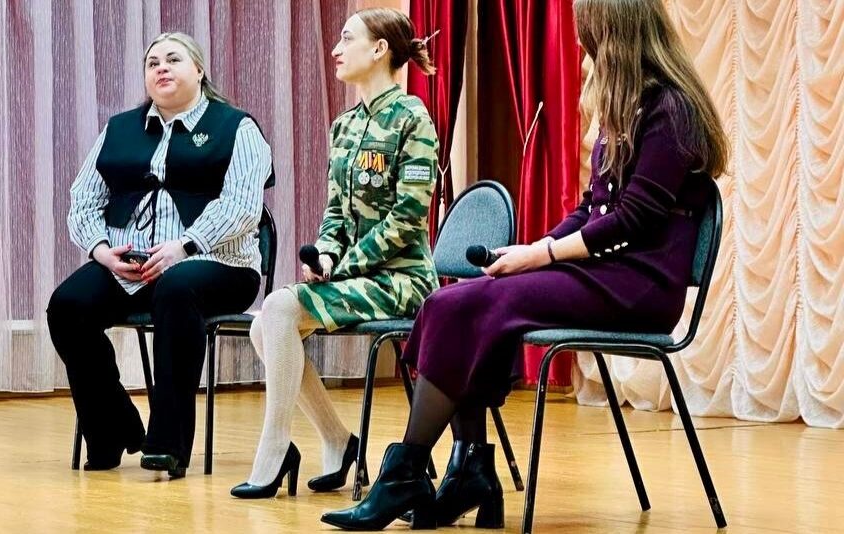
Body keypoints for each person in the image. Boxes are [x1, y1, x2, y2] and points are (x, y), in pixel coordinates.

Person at [320, 0, 730, 529]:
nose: (584, 47)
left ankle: (406, 473)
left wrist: (542, 255)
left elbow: (634, 218)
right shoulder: (627, 105)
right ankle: (468, 467)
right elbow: (590, 208)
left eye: (591, 36)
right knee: (449, 301)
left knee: (481, 304)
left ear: (618, 36)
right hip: (607, 275)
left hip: (642, 286)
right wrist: (529, 251)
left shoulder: (671, 110)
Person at [229, 8, 440, 499]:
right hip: (355, 275)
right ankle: (337, 440)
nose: (336, 49)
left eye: (347, 39)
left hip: (403, 280)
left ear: (380, 49)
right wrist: (323, 255)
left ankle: (275, 447)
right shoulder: (344, 126)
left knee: (278, 309)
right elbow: (335, 215)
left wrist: (342, 266)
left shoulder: (413, 119)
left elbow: (408, 218)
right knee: (265, 325)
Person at [47, 32, 273, 479]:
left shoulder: (237, 127)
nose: (162, 68)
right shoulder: (119, 129)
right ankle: (112, 428)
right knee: (68, 306)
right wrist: (102, 252)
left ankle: (168, 443)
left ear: (199, 70)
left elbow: (243, 207)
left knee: (176, 288)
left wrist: (184, 246)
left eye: (173, 59)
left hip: (219, 265)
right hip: (131, 265)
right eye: (153, 63)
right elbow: (83, 199)